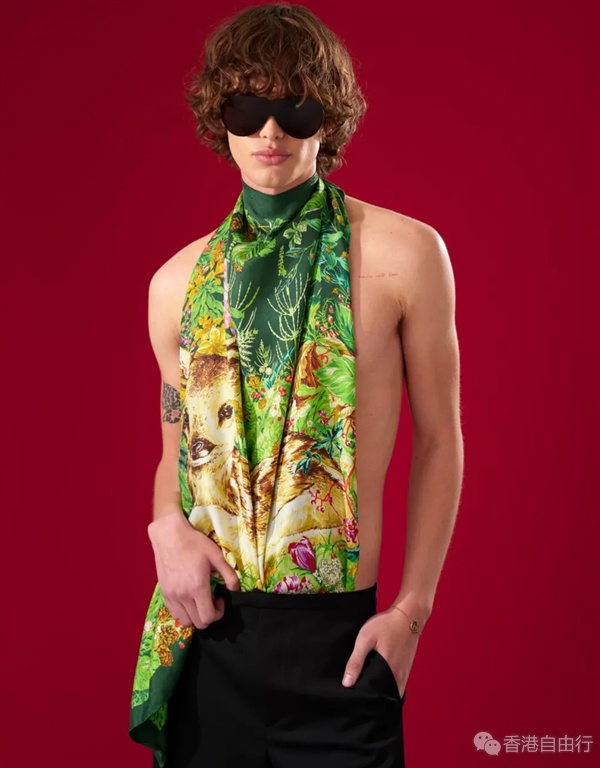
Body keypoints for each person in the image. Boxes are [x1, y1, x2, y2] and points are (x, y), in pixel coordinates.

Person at [129, 3, 464, 767]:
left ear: (330, 118)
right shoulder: (176, 284)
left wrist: (410, 613)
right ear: (220, 116)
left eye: (296, 107)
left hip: (341, 648)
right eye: (248, 107)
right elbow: (176, 451)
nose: (271, 131)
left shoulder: (407, 254)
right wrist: (165, 528)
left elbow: (440, 440)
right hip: (212, 637)